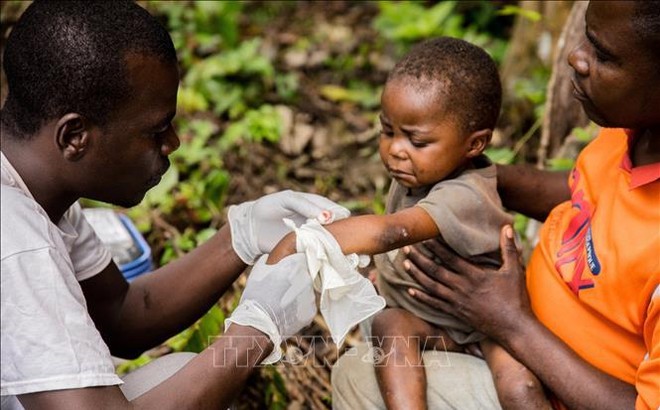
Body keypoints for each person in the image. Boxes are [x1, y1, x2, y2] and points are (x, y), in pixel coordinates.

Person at [0, 1, 349, 409]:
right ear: (75, 136)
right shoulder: (17, 243)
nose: (173, 144)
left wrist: (240, 237)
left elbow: (122, 316)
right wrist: (257, 329)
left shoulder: (36, 190)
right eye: (156, 130)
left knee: (177, 374)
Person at [332, 1, 660, 409]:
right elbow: (586, 192)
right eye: (587, 40)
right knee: (386, 330)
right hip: (506, 329)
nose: (576, 57)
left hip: (548, 378)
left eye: (604, 55)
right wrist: (468, 182)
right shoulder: (634, 134)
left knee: (360, 375)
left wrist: (511, 323)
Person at [267, 37, 549, 409]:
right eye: (388, 131)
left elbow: (393, 230)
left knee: (520, 389)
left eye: (416, 140)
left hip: (487, 328)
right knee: (390, 326)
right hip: (433, 323)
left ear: (474, 144)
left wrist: (302, 241)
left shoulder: (464, 193)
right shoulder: (417, 172)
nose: (396, 149)